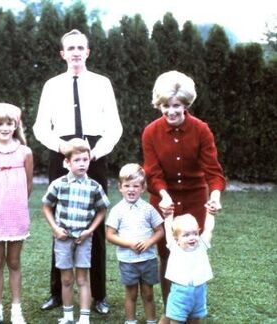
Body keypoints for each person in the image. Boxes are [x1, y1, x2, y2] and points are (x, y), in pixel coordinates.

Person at [33, 28, 122, 314]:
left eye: (80, 48)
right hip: (61, 152)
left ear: (88, 52)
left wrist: (93, 153)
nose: (75, 52)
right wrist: (62, 148)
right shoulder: (52, 85)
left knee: (93, 222)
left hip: (94, 154)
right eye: (70, 48)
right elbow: (39, 127)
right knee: (61, 222)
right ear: (62, 53)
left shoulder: (102, 83)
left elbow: (114, 127)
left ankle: (99, 295)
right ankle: (57, 293)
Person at [141, 70, 225, 321]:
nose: (171, 111)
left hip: (194, 200)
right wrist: (164, 195)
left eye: (176, 105)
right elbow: (153, 173)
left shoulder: (201, 130)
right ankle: (172, 311)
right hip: (164, 201)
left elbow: (213, 172)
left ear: (186, 104)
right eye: (165, 106)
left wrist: (216, 196)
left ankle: (192, 309)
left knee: (193, 250)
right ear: (159, 105)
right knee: (166, 256)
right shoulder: (150, 132)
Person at [41, 138, 111, 324]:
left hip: (83, 238)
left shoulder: (94, 187)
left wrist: (90, 231)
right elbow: (46, 206)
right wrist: (55, 229)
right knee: (66, 279)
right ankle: (68, 315)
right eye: (77, 160)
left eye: (85, 160)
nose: (82, 164)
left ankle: (84, 318)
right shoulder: (58, 184)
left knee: (82, 278)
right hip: (63, 238)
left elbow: (102, 209)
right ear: (67, 162)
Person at [0, 103, 34, 324]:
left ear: (16, 125)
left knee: (14, 261)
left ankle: (16, 309)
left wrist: (16, 203)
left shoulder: (25, 152)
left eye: (9, 123)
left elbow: (28, 185)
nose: (4, 128)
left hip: (17, 214)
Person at [105, 163, 164, 324]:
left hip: (148, 259)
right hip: (128, 261)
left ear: (143, 187)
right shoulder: (117, 210)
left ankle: (151, 321)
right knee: (131, 294)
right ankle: (130, 321)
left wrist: (149, 242)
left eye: (136, 186)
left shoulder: (149, 209)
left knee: (148, 293)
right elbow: (109, 235)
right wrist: (129, 244)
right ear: (120, 187)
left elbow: (160, 231)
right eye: (127, 186)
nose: (131, 189)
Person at [163, 212, 217, 323]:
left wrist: (210, 214)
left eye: (195, 233)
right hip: (180, 293)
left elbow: (208, 230)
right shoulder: (174, 247)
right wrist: (168, 216)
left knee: (195, 319)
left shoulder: (202, 245)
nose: (192, 238)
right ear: (176, 238)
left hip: (199, 292)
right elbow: (168, 230)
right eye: (186, 235)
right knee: (176, 319)